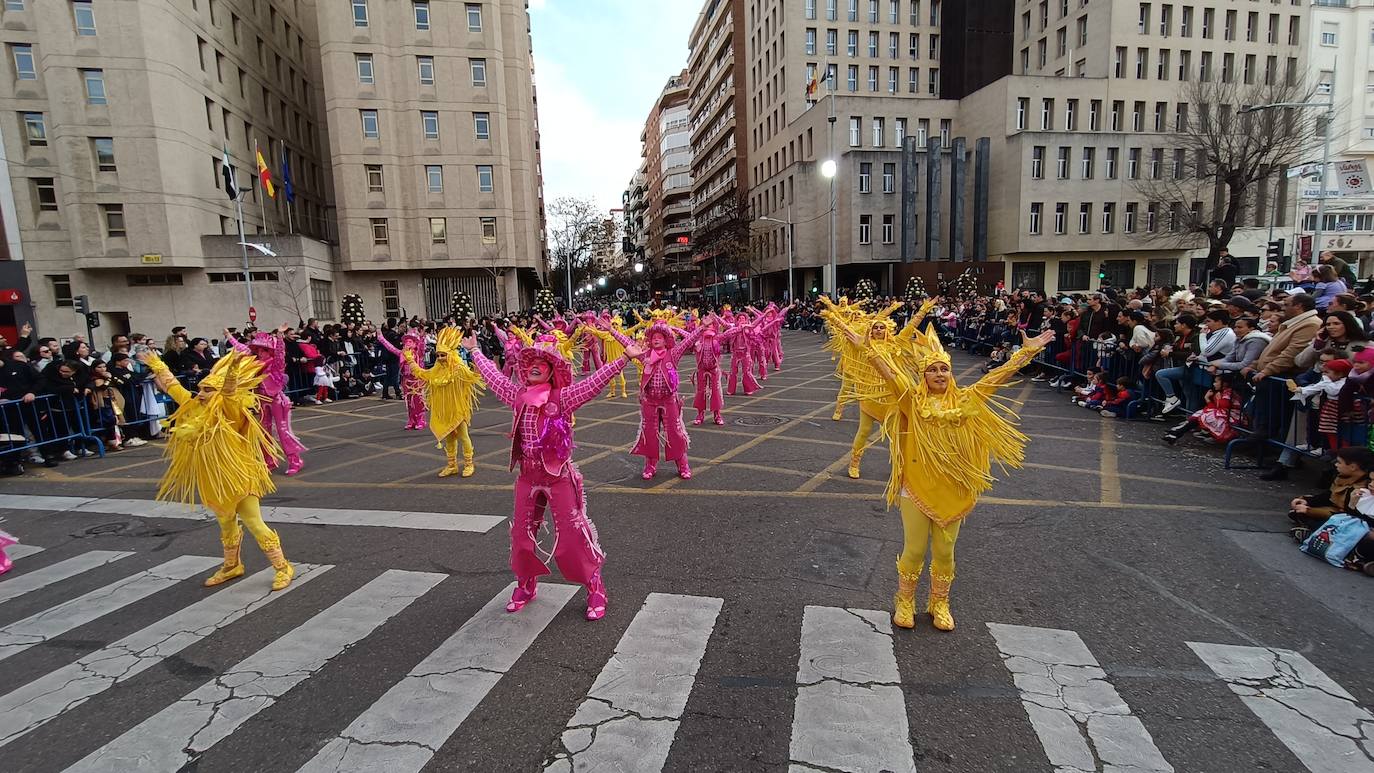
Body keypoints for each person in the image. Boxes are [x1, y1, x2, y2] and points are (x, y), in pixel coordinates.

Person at [848, 320, 1055, 632]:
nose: (939, 375)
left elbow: (996, 379)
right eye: (933, 370)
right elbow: (890, 375)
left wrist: (1023, 355)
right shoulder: (911, 401)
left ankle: (939, 602)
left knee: (945, 551)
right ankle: (905, 600)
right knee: (914, 549)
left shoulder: (967, 399)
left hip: (954, 489)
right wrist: (866, 350)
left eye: (944, 369)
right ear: (923, 375)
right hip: (916, 486)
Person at [463, 331, 645, 621]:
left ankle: (595, 587)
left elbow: (592, 384)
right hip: (527, 476)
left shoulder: (562, 397)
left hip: (558, 476)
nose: (535, 366)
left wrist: (624, 358)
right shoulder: (518, 395)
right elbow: (494, 379)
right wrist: (475, 352)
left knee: (573, 536)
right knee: (522, 535)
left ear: (551, 371)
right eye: (531, 362)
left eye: (542, 363)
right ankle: (526, 584)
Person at [137, 349, 295, 591]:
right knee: (226, 522)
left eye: (208, 390)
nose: (201, 394)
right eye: (200, 388)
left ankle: (283, 567)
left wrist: (232, 369)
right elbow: (172, 386)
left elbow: (230, 391)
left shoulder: (230, 409)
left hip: (239, 475)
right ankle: (232, 566)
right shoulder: (192, 405)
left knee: (254, 522)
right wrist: (157, 365)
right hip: (212, 477)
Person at [605, 317, 708, 479]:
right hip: (649, 401)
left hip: (669, 400)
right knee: (650, 433)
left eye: (660, 337)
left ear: (666, 340)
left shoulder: (673, 353)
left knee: (675, 432)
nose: (656, 339)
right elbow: (628, 343)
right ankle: (650, 465)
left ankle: (683, 465)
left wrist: (702, 328)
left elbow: (688, 341)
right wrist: (612, 331)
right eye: (654, 338)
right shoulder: (645, 355)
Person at [403, 327, 484, 478]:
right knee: (449, 437)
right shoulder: (436, 369)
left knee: (463, 436)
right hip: (443, 410)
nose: (440, 358)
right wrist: (410, 360)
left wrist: (478, 362)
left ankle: (468, 464)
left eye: (443, 355)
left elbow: (473, 377)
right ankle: (452, 465)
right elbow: (422, 374)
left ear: (451, 354)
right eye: (438, 355)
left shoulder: (459, 368)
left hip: (457, 409)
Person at [226, 329, 308, 477]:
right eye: (258, 349)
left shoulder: (275, 364)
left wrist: (280, 338)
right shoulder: (255, 364)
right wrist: (229, 336)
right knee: (264, 432)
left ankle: (295, 461)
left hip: (277, 400)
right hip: (262, 401)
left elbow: (280, 354)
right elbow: (242, 348)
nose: (260, 352)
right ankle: (269, 461)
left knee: (283, 431)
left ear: (270, 351)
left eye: (264, 349)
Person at [375, 326, 428, 431]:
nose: (407, 343)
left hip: (417, 380)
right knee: (408, 401)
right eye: (406, 342)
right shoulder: (402, 354)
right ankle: (411, 420)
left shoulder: (418, 354)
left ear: (414, 343)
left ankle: (420, 420)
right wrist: (381, 338)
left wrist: (422, 338)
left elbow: (422, 348)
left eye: (410, 341)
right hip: (406, 380)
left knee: (417, 400)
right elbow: (391, 348)